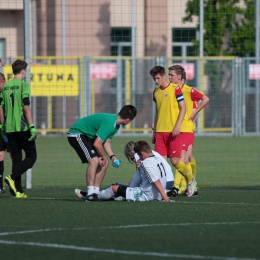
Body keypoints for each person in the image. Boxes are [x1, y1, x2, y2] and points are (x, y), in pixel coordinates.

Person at [69, 105, 137, 201]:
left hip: (88, 137)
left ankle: (95, 194)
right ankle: (90, 194)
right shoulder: (110, 123)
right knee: (94, 161)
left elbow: (106, 141)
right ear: (128, 120)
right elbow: (97, 144)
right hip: (77, 134)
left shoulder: (115, 125)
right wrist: (103, 156)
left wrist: (112, 156)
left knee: (105, 163)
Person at [150, 66, 195, 197]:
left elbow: (183, 108)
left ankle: (190, 179)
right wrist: (154, 132)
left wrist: (177, 126)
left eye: (158, 78)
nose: (156, 81)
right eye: (154, 79)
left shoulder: (175, 89)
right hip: (160, 133)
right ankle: (162, 191)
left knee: (175, 162)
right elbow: (157, 111)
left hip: (173, 132)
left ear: (164, 76)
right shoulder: (156, 92)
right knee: (160, 163)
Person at [168, 65, 209, 197]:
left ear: (180, 77)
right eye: (168, 75)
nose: (169, 77)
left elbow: (205, 99)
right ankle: (192, 185)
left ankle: (178, 186)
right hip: (175, 128)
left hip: (186, 129)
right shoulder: (171, 90)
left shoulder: (188, 90)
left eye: (171, 75)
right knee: (185, 158)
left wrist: (195, 112)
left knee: (181, 157)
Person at [0, 60, 38, 199]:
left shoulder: (5, 87)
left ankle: (18, 191)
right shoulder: (23, 86)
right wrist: (32, 127)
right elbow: (26, 107)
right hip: (22, 127)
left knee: (16, 159)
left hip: (9, 128)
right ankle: (11, 177)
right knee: (31, 156)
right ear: (23, 71)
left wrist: (3, 127)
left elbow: (1, 108)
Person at [97, 140, 171, 202]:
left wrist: (165, 198)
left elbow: (156, 181)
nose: (137, 157)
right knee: (122, 188)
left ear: (141, 153)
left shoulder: (146, 163)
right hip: (157, 194)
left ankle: (95, 196)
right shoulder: (158, 160)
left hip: (146, 195)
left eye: (138, 154)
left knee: (114, 188)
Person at [0, 72, 10, 193]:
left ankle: (15, 185)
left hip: (11, 129)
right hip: (2, 129)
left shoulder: (8, 92)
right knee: (0, 156)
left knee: (14, 155)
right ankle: (0, 186)